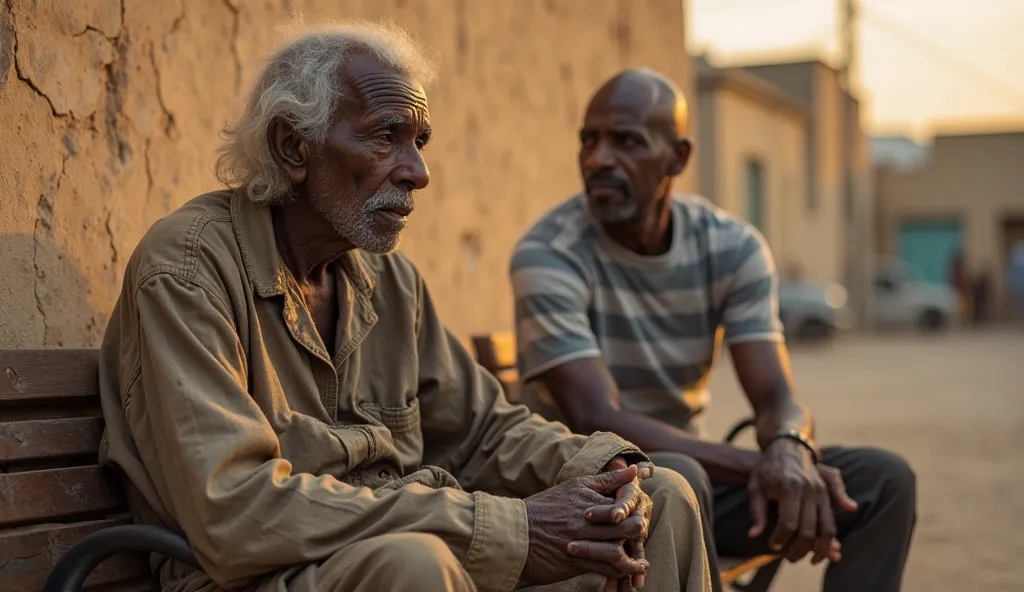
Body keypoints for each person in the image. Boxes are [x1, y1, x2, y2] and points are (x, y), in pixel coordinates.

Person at [97, 24, 712, 592]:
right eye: (385, 137)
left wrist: (610, 469)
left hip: (410, 549)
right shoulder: (186, 268)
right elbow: (235, 508)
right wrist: (508, 528)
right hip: (259, 575)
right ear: (293, 147)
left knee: (663, 500)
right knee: (415, 562)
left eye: (419, 142)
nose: (417, 172)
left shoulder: (388, 280)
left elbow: (482, 433)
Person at [509, 68, 916, 592]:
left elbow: (775, 395)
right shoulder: (549, 253)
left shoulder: (730, 247)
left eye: (626, 141)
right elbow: (596, 415)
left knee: (883, 482)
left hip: (695, 476)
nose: (599, 159)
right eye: (589, 140)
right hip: (589, 486)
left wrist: (790, 450)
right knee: (681, 477)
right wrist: (759, 466)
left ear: (678, 157)